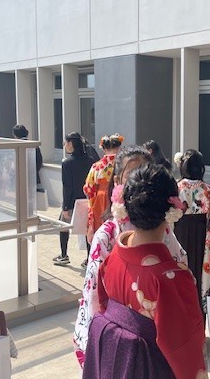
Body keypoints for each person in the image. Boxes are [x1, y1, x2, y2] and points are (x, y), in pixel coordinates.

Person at [80, 163, 210, 379]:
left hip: (114, 372)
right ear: (173, 211)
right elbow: (187, 353)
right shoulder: (172, 279)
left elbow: (99, 307)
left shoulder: (112, 258)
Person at [73, 146, 187, 367]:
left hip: (159, 335)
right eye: (131, 176)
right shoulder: (107, 235)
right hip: (119, 339)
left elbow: (180, 264)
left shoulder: (163, 229)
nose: (139, 184)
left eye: (144, 175)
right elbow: (93, 295)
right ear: (117, 181)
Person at [175, 149, 210, 310]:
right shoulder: (209, 190)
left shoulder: (177, 188)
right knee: (200, 279)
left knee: (179, 274)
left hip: (179, 236)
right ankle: (199, 318)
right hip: (203, 238)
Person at [54, 132, 95, 266]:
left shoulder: (67, 163)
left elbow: (67, 187)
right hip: (88, 200)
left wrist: (65, 207)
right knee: (87, 230)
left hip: (72, 202)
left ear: (71, 144)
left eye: (65, 143)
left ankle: (64, 255)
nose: (64, 145)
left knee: (63, 226)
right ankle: (89, 259)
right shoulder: (91, 161)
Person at [83, 133, 124, 261]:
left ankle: (100, 258)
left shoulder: (97, 166)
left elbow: (88, 188)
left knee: (101, 229)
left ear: (104, 148)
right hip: (119, 196)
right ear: (119, 147)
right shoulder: (123, 165)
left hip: (100, 199)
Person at [13, 124, 43, 191]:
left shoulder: (16, 146)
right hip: (34, 177)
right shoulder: (34, 145)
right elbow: (39, 161)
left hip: (20, 177)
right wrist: (34, 170)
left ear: (15, 135)